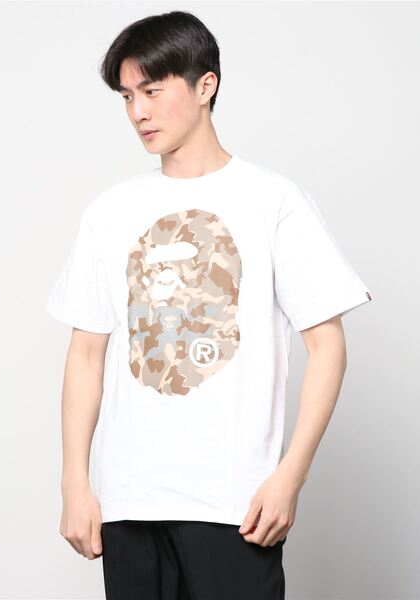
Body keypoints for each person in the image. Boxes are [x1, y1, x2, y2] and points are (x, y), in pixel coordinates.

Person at [45, 10, 373, 600]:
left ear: (205, 86)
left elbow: (327, 346)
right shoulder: (109, 212)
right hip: (129, 502)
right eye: (127, 97)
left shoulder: (273, 201)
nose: (138, 112)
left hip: (235, 504)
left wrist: (290, 476)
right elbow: (85, 354)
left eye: (152, 91)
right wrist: (75, 483)